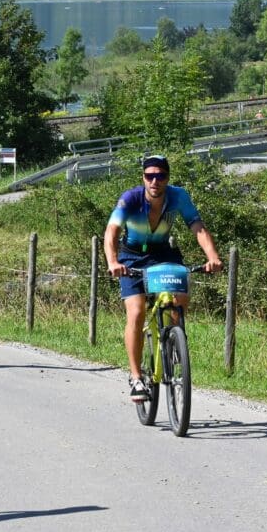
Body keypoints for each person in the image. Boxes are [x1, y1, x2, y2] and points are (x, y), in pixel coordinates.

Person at [104, 155, 222, 402]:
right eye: (150, 176)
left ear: (168, 178)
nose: (155, 181)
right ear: (143, 178)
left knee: (179, 297)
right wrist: (113, 262)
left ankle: (173, 340)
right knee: (136, 312)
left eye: (161, 176)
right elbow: (112, 230)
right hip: (132, 257)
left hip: (163, 254)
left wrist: (212, 257)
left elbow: (197, 227)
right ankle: (136, 377)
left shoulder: (178, 196)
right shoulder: (130, 199)